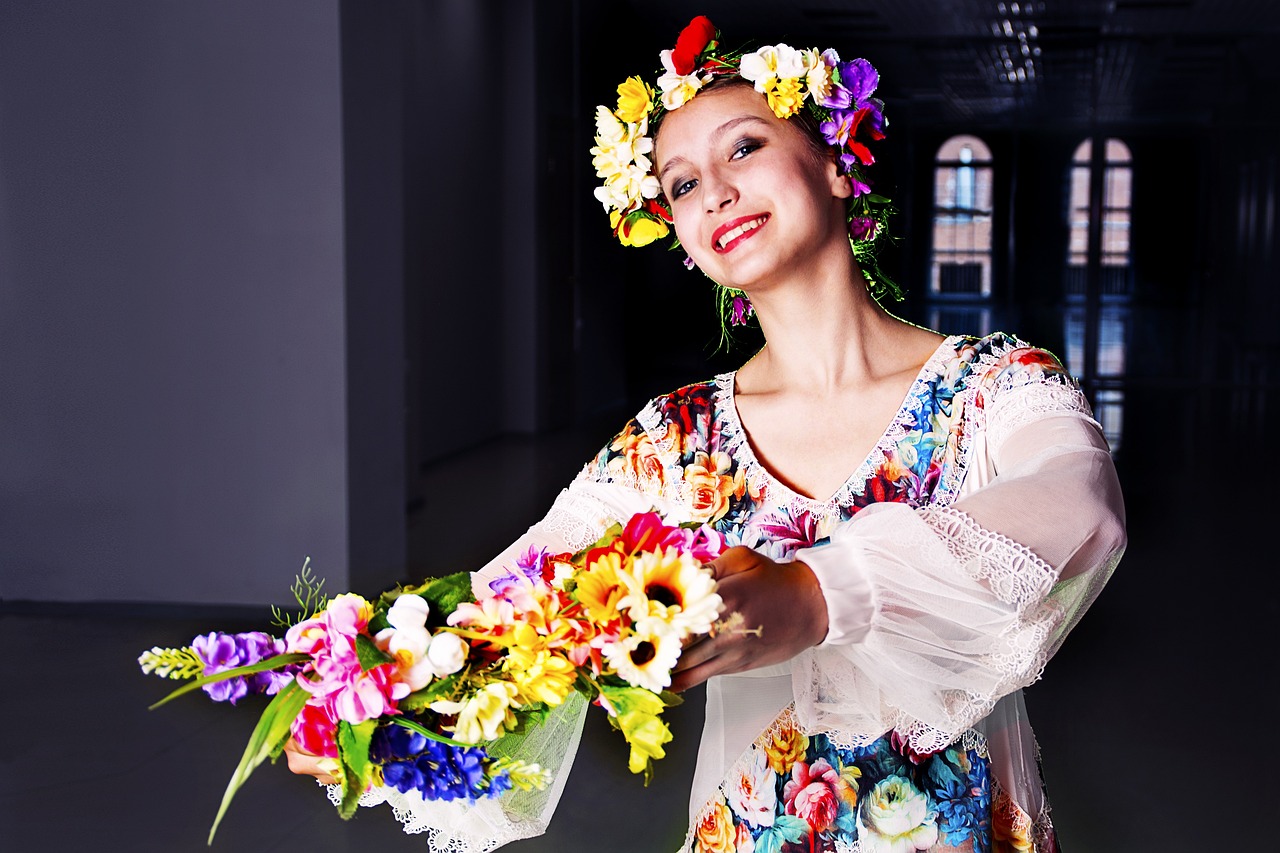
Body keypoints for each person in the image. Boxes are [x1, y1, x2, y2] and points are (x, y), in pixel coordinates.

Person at [291, 16, 1125, 853]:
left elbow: (1081, 505)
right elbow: (529, 588)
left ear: (837, 163)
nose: (715, 193)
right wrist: (387, 685)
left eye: (743, 148)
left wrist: (814, 594)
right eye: (681, 184)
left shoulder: (994, 385)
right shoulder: (676, 439)